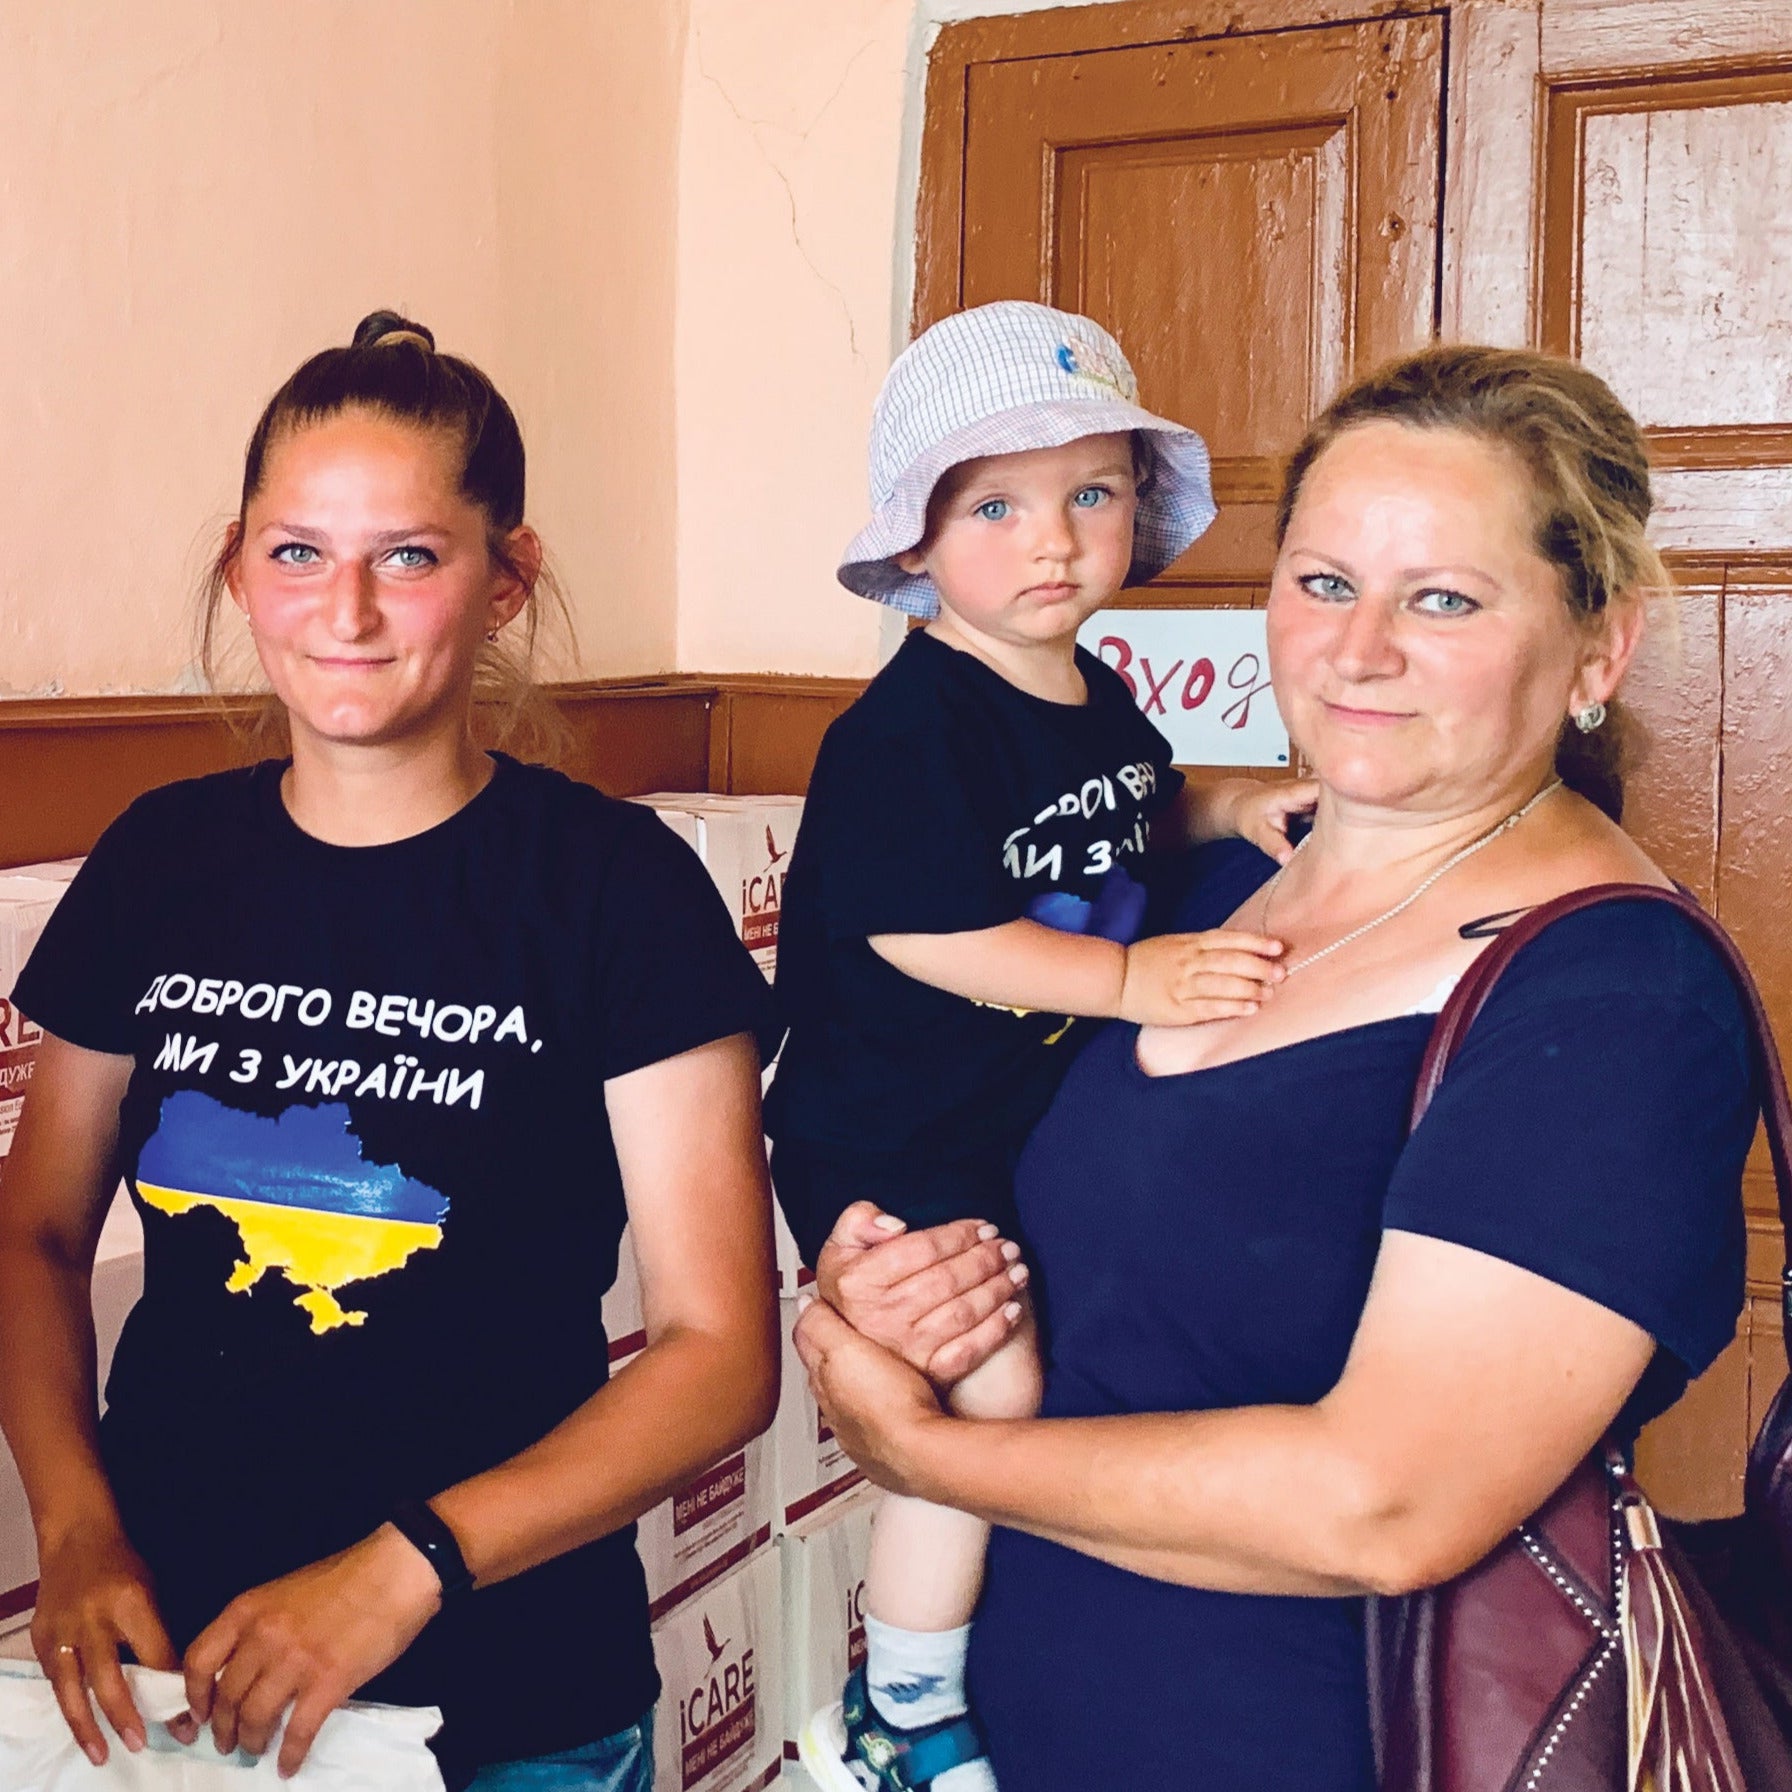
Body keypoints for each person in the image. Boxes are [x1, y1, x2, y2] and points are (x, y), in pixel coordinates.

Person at [792, 343, 1761, 1791]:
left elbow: (1385, 1504)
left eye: (1443, 598)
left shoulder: (1618, 998)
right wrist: (898, 1280)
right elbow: (1021, 1192)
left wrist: (925, 1455)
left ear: (1598, 650)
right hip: (1017, 1737)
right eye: (1323, 582)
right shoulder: (1185, 897)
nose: (1359, 650)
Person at [0, 312, 780, 1792]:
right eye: (297, 553)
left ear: (505, 581)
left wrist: (401, 1571)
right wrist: (78, 1528)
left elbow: (717, 1355)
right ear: (240, 569)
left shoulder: (616, 889)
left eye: (408, 556)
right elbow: (31, 1233)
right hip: (174, 1677)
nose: (345, 611)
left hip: (516, 1700)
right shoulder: (161, 858)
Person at [766, 300, 1312, 1792]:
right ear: (921, 541)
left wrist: (1228, 803)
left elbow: (1125, 803)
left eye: (1091, 494)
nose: (1052, 541)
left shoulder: (1090, 690)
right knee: (990, 1390)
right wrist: (1132, 977)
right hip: (889, 1126)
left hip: (1002, 1110)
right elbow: (922, 931)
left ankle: (988, 1655)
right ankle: (898, 1705)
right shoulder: (908, 731)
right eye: (995, 507)